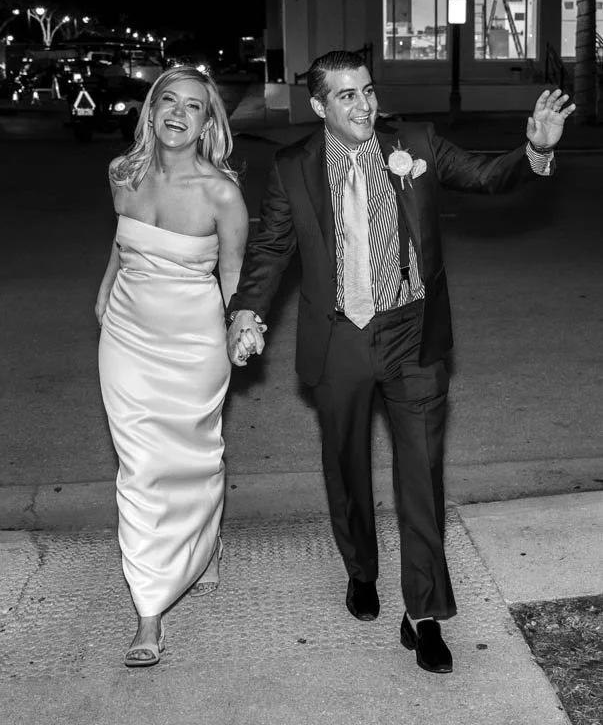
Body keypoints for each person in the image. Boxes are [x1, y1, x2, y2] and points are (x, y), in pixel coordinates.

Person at [226, 50, 575, 675]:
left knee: (422, 474)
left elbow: (484, 175)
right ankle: (361, 568)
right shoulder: (293, 167)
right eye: (347, 97)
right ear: (319, 106)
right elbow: (273, 247)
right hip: (338, 338)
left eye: (367, 92)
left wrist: (534, 151)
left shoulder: (414, 145)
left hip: (411, 333)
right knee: (346, 464)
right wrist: (248, 310)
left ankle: (424, 614)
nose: (365, 106)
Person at [96, 64, 249, 668]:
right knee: (140, 466)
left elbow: (232, 274)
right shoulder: (122, 173)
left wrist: (241, 326)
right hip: (128, 332)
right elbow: (120, 239)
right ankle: (149, 611)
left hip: (193, 340)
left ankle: (203, 544)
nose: (178, 113)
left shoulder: (222, 194)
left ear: (208, 121)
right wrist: (105, 289)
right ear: (151, 110)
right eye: (168, 101)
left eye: (193, 105)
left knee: (194, 455)